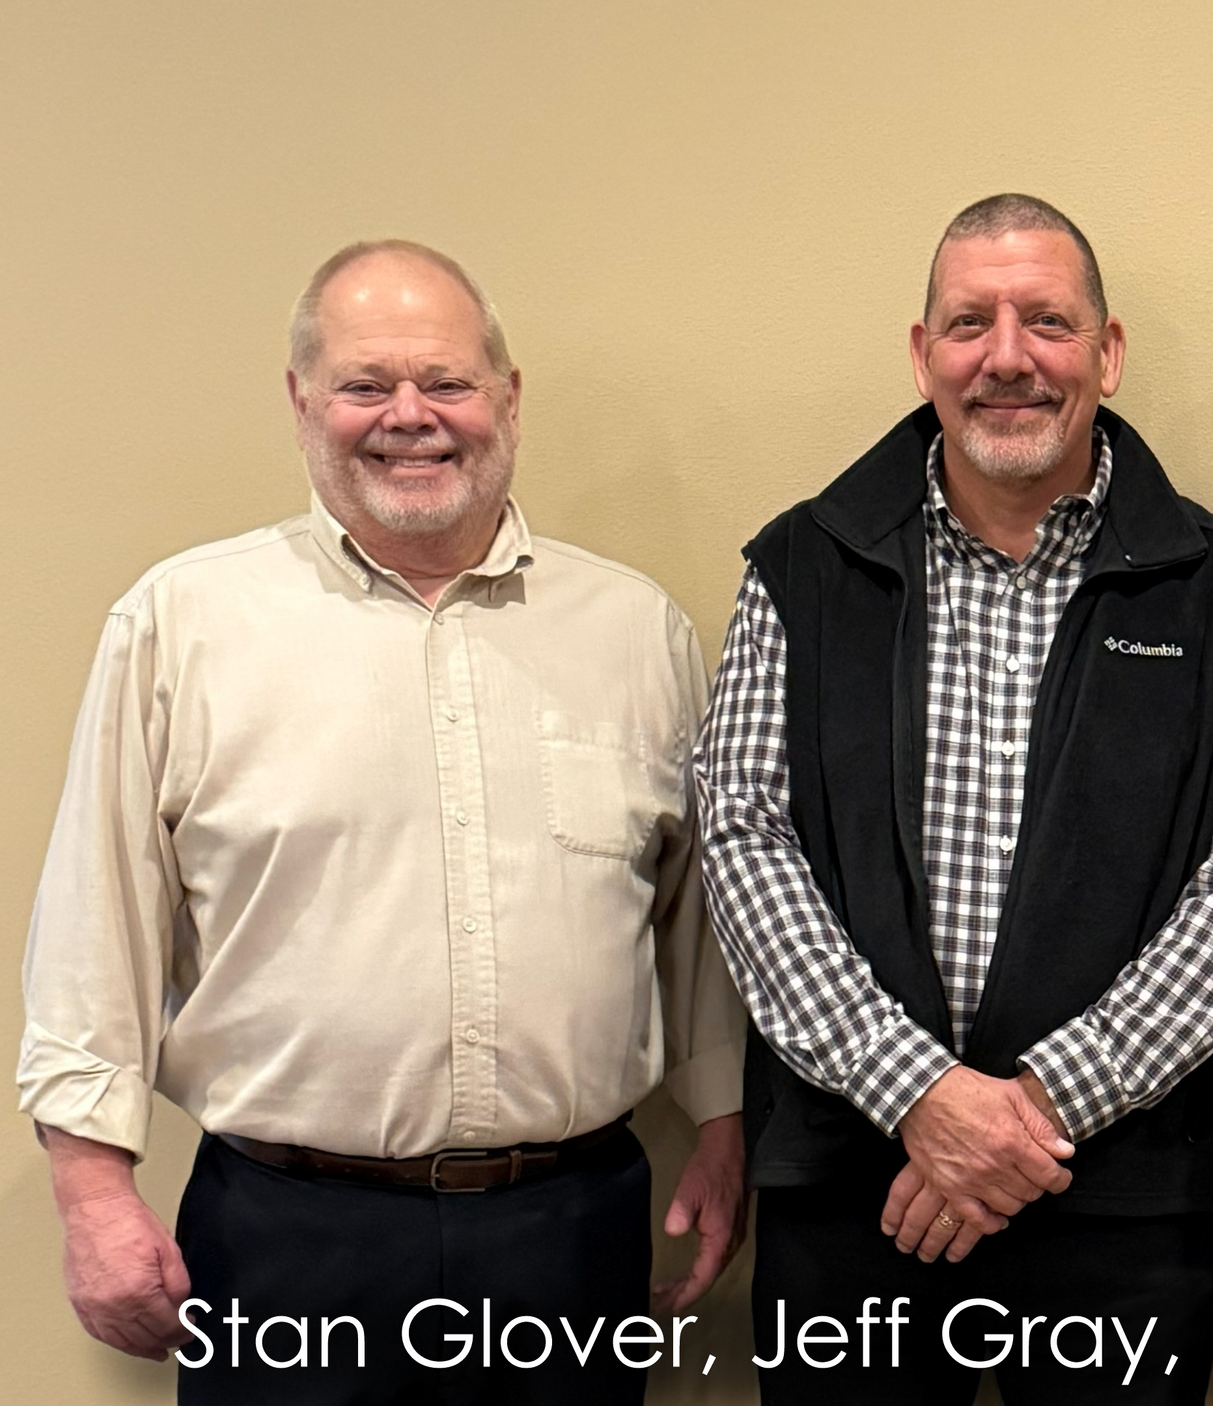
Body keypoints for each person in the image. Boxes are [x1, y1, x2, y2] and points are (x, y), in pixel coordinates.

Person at [18, 240, 749, 1404]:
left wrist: (721, 1121)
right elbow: (94, 924)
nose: (411, 417)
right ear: (302, 401)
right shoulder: (182, 623)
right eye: (366, 385)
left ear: (508, 397)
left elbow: (697, 920)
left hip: (570, 1238)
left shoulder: (634, 631)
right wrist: (93, 1193)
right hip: (284, 1240)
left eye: (448, 382)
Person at [697, 193, 1213, 1403]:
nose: (1008, 357)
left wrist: (1030, 1113)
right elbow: (742, 836)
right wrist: (917, 1094)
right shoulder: (801, 567)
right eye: (969, 321)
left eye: (1047, 319)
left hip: (1121, 1196)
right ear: (922, 350)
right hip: (850, 1187)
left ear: (1108, 350)